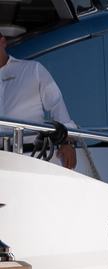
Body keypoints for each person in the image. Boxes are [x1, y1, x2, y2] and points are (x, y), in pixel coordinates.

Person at [0, 29, 76, 169]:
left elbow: (57, 105)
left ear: (3, 41)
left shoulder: (32, 70)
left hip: (33, 157)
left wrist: (67, 142)